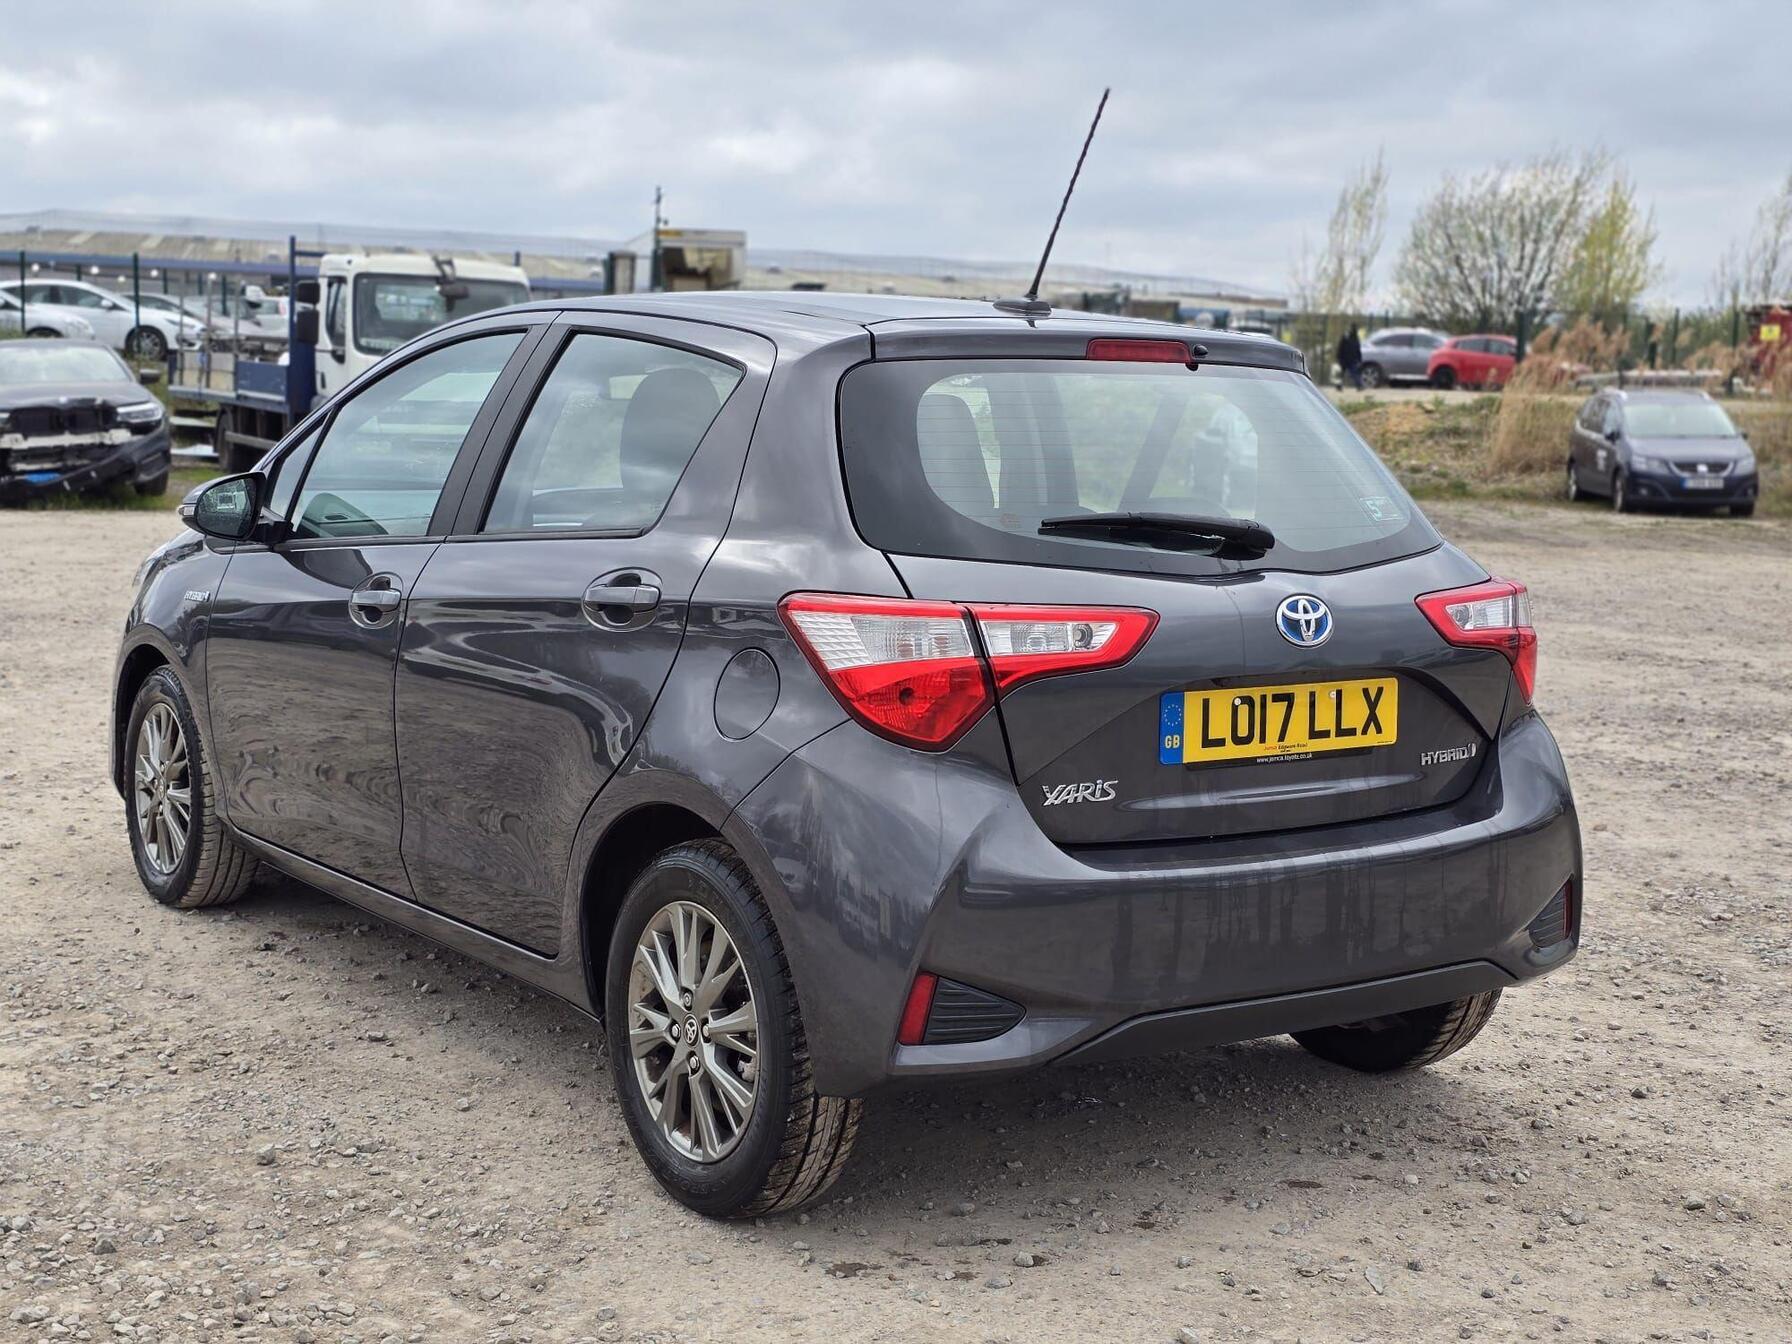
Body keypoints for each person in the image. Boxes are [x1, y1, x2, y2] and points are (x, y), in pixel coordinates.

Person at [1337, 325, 1364, 390]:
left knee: (1344, 373)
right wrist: (1359, 359)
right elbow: (1358, 350)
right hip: (1349, 359)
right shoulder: (1354, 338)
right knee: (1353, 373)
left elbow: (1341, 347)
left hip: (1346, 358)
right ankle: (1359, 385)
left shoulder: (1349, 337)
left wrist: (1339, 356)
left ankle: (1359, 385)